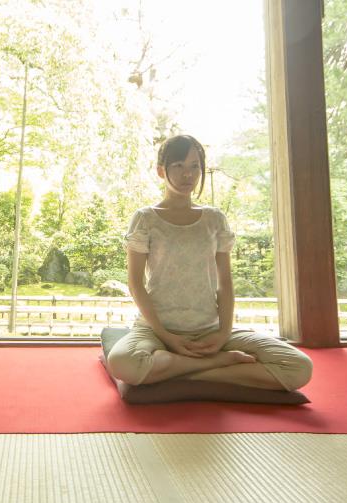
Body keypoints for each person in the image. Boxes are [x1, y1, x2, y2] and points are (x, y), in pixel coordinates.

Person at [107, 134, 312, 391]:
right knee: (122, 363)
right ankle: (221, 363)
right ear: (161, 171)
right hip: (156, 330)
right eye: (178, 166)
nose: (187, 175)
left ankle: (184, 371)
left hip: (209, 330)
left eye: (195, 166)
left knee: (299, 367)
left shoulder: (214, 219)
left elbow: (225, 283)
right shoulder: (146, 219)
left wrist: (223, 334)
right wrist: (165, 335)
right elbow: (136, 284)